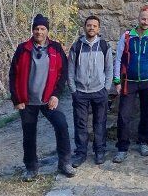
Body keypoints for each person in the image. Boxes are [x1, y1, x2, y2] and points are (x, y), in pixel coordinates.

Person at [9, 13, 74, 181]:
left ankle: (65, 162)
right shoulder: (23, 49)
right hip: (27, 101)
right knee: (29, 134)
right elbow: (13, 74)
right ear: (32, 30)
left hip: (48, 99)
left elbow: (63, 73)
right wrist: (17, 99)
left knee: (61, 125)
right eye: (36, 28)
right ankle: (31, 167)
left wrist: (55, 95)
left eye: (42, 28)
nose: (39, 32)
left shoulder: (56, 48)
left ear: (47, 31)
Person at [113, 5, 148, 160]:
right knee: (123, 115)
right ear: (138, 18)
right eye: (143, 18)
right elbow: (118, 59)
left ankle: (144, 142)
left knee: (146, 114)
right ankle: (122, 147)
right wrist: (117, 81)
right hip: (129, 82)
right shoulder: (127, 36)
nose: (145, 22)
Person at [68, 14, 114, 166]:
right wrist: (73, 90)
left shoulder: (104, 46)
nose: (91, 28)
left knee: (99, 123)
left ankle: (99, 151)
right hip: (80, 92)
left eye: (94, 26)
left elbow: (109, 69)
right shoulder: (76, 46)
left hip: (99, 91)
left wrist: (106, 88)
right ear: (85, 27)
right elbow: (70, 71)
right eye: (89, 25)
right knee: (80, 124)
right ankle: (81, 153)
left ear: (98, 28)